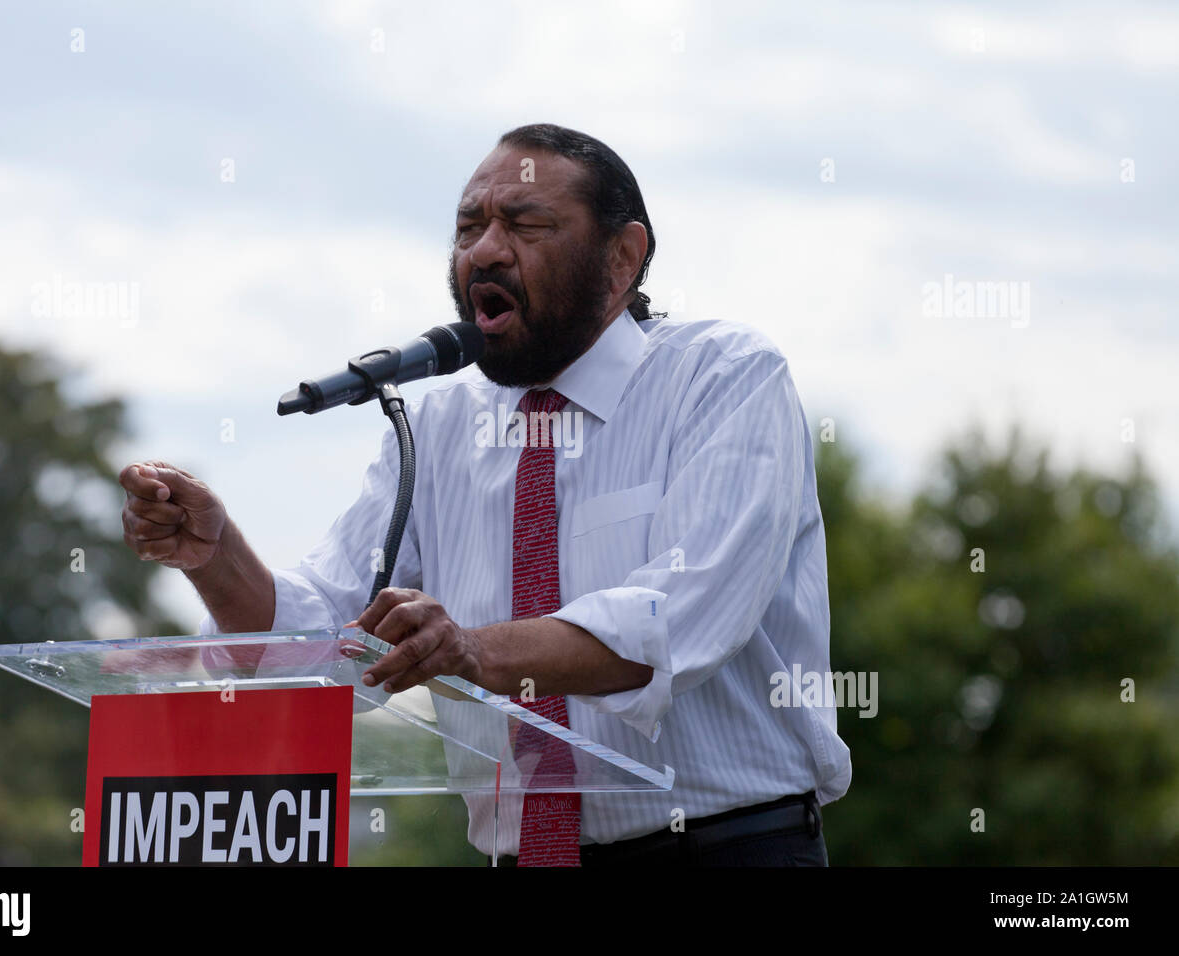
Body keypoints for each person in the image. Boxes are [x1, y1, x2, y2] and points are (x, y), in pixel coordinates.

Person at [120, 123, 851, 866]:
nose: (485, 250)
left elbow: (675, 622)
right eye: (469, 227)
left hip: (725, 848)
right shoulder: (438, 426)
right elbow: (325, 640)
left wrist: (472, 648)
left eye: (526, 225)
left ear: (622, 257)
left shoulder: (722, 377)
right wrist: (217, 560)